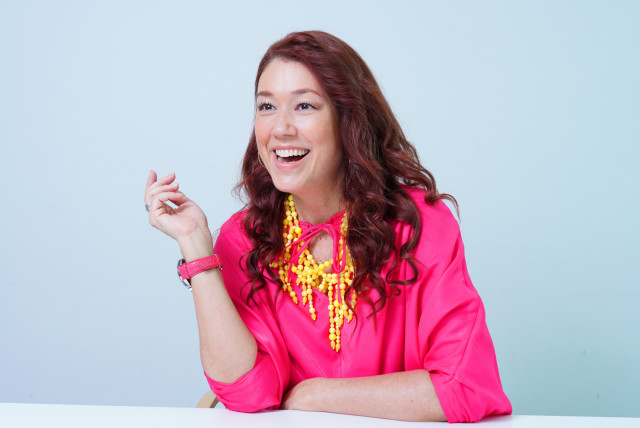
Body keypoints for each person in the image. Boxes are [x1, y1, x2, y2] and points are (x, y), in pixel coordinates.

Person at [144, 31, 512, 423]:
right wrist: (196, 248)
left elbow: (465, 388)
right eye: (266, 106)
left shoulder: (420, 225)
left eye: (304, 105)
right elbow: (248, 392)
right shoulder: (243, 240)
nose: (280, 128)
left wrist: (316, 395)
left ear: (348, 120)